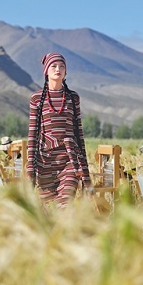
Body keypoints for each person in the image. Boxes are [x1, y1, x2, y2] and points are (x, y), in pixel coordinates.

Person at [27, 53, 92, 208]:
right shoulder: (36, 99)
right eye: (54, 66)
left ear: (66, 71)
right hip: (45, 162)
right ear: (46, 71)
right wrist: (31, 166)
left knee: (64, 205)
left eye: (62, 66)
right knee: (49, 209)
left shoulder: (73, 98)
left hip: (69, 161)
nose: (58, 69)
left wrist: (85, 171)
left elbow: (79, 134)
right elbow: (32, 135)